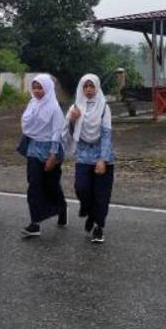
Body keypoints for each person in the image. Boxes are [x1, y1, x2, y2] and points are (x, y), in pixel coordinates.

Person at [63, 74, 114, 244]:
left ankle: (98, 227)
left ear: (97, 87)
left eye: (92, 86)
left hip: (101, 154)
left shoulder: (104, 107)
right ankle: (89, 211)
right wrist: (72, 120)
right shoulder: (76, 107)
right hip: (83, 153)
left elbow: (107, 134)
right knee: (81, 188)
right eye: (86, 86)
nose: (89, 90)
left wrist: (103, 159)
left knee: (101, 194)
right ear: (81, 88)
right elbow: (69, 133)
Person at [19, 74, 67, 237]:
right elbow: (26, 125)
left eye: (40, 87)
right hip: (33, 149)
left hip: (50, 151)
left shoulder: (54, 108)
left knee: (52, 185)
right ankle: (35, 223)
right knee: (34, 186)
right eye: (34, 87)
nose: (37, 91)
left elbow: (57, 133)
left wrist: (53, 156)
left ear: (47, 88)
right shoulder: (32, 104)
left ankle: (61, 208)